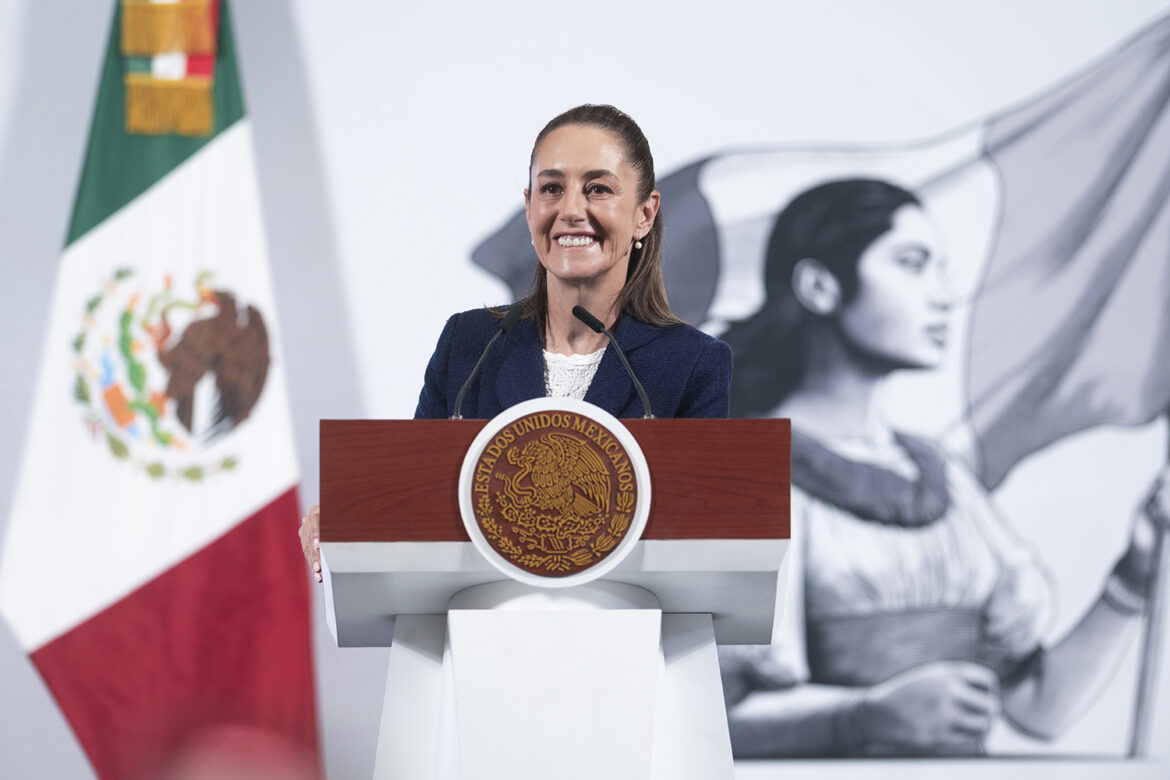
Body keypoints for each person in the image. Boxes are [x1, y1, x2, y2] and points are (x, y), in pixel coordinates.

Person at [718, 178, 1170, 757]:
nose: (943, 294)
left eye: (941, 268)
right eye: (912, 264)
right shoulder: (736, 470)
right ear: (819, 286)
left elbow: (1038, 709)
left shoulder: (944, 476)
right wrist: (862, 717)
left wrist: (1132, 578)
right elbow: (704, 716)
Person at [299, 104, 732, 580]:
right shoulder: (469, 343)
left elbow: (703, 536)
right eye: (551, 189)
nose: (570, 210)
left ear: (644, 214)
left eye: (598, 189)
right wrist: (350, 524)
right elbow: (416, 502)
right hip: (483, 640)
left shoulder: (692, 364)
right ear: (529, 209)